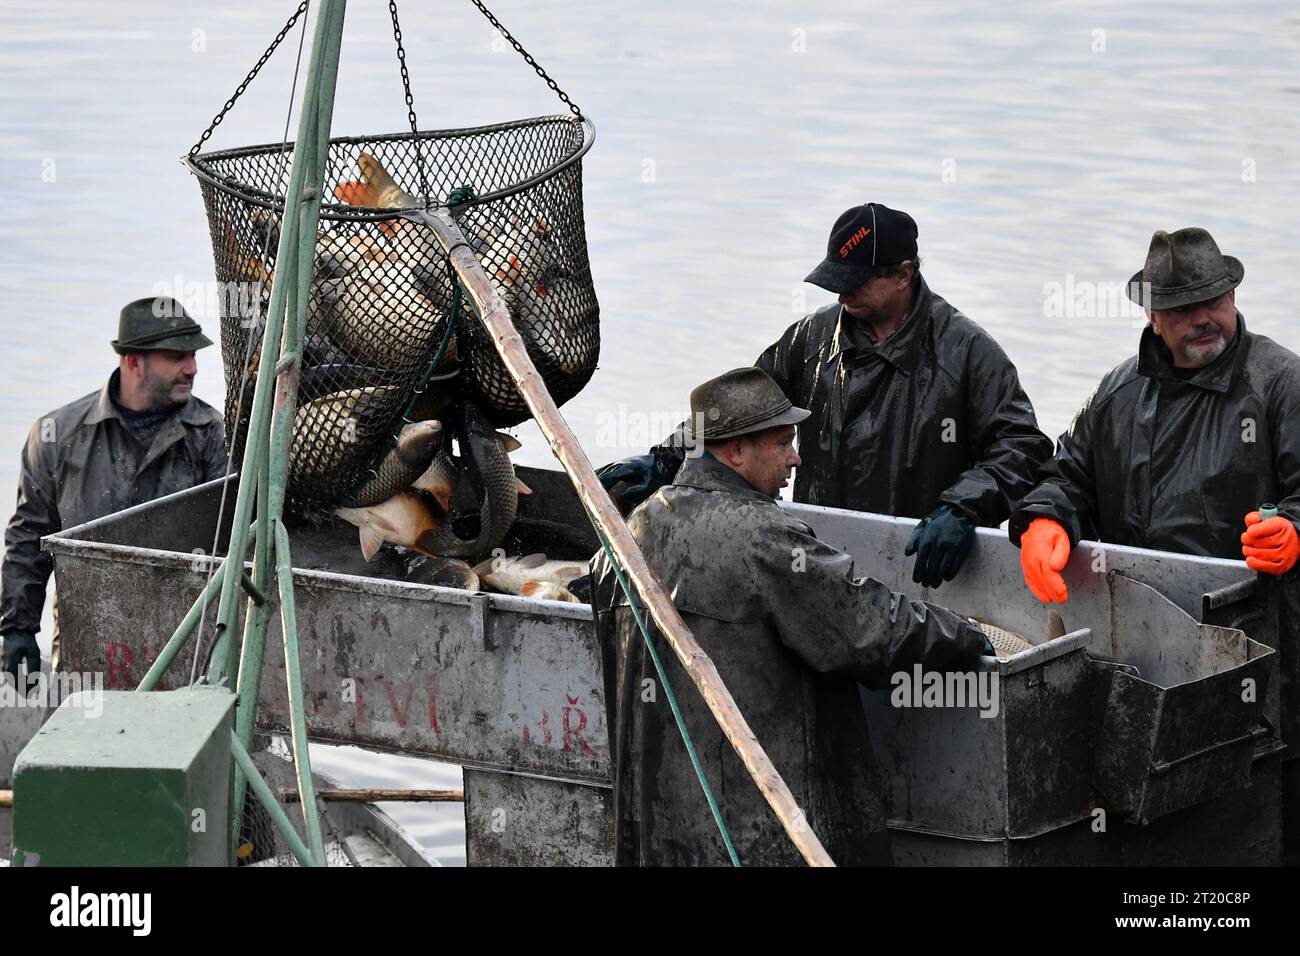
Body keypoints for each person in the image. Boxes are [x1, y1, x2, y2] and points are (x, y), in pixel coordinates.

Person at [591, 367, 989, 866]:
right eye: (783, 443)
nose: (796, 458)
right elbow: (870, 628)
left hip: (657, 838)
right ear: (735, 451)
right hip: (757, 837)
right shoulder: (762, 536)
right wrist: (966, 635)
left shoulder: (624, 535)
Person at [1008, 226, 1300, 863]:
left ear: (1233, 295)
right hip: (1144, 653)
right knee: (1155, 815)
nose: (1203, 319)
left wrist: (1295, 531)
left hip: (1263, 653)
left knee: (1259, 819)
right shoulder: (1117, 394)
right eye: (1182, 308)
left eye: (1214, 301)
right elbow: (1067, 475)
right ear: (1151, 315)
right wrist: (1044, 522)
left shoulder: (1281, 383)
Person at [599, 203, 1052, 590]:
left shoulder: (969, 352)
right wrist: (666, 458)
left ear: (904, 275)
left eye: (856, 281)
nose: (841, 291)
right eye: (837, 279)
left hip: (921, 565)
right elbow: (736, 412)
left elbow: (1022, 447)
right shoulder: (810, 338)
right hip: (815, 555)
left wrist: (963, 506)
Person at [1, 297, 226, 680]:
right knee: (78, 733)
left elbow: (234, 544)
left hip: (183, 649)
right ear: (133, 362)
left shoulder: (212, 434)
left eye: (193, 356)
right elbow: (28, 537)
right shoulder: (57, 436)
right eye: (176, 357)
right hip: (84, 648)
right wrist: (17, 628)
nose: (192, 368)